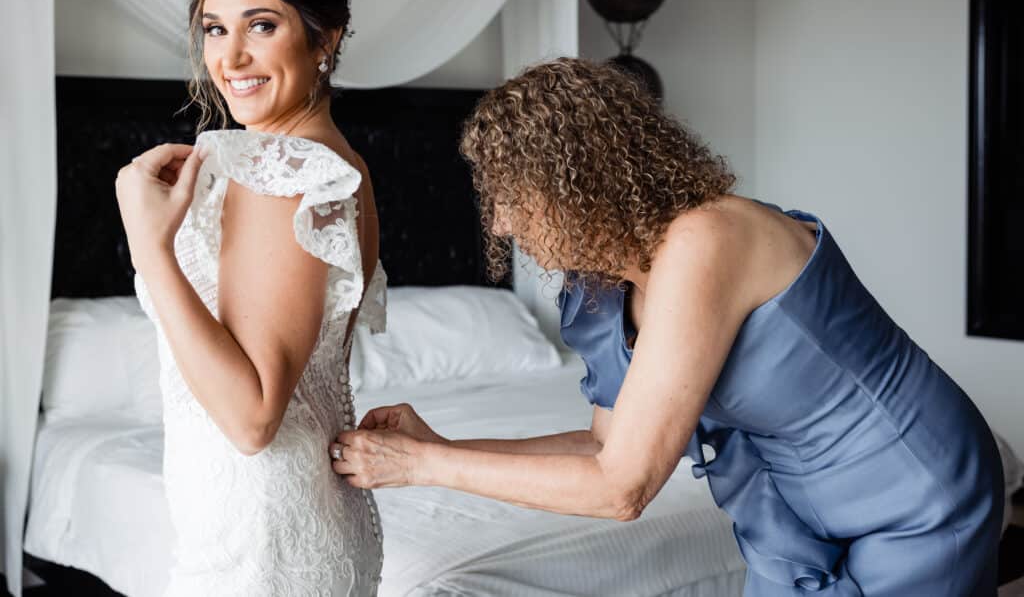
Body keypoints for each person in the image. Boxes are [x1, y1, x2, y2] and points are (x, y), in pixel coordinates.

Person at [332, 58, 1004, 595]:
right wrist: (448, 443)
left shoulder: (708, 239)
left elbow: (623, 487)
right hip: (796, 511)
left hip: (915, 489)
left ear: (578, 182)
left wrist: (423, 464)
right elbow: (604, 445)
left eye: (513, 195)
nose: (502, 223)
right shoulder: (601, 291)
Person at [116, 0, 385, 595]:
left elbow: (252, 415)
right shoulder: (334, 163)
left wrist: (152, 249)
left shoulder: (279, 171)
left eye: (261, 26)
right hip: (289, 525)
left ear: (326, 38)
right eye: (214, 28)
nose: (230, 57)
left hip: (259, 542)